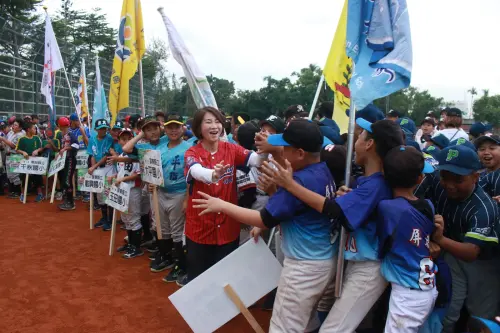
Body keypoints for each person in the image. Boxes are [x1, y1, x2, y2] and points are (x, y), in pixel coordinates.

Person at [192, 119, 337, 333]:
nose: (280, 151)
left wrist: (221, 205)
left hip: (304, 267)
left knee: (283, 327)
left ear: (299, 153)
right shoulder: (321, 170)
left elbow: (264, 219)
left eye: (284, 148)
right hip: (322, 259)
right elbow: (290, 210)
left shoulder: (297, 182)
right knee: (306, 321)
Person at [260, 118, 404, 332]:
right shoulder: (366, 181)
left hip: (368, 266)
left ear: (370, 144)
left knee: (335, 329)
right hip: (354, 261)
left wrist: (289, 185)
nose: (355, 140)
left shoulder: (376, 184)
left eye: (360, 136)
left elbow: (334, 211)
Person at [416, 145, 500, 332]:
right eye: (445, 177)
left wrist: (439, 239)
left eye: (458, 179)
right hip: (452, 256)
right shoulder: (437, 182)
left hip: (483, 263)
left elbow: (471, 252)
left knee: (480, 317)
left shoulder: (484, 207)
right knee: (448, 312)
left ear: (475, 177)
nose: (450, 184)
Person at [182, 107, 265, 287]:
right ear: (198, 127)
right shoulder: (192, 153)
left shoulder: (232, 149)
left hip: (228, 228)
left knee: (226, 278)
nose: (214, 126)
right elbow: (195, 170)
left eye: (218, 121)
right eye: (208, 122)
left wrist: (268, 148)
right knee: (199, 279)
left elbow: (256, 161)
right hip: (200, 227)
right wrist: (212, 174)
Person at [123, 114, 191, 282]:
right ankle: (167, 257)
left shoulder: (189, 147)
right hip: (159, 192)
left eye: (177, 127)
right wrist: (141, 134)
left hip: (179, 193)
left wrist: (187, 198)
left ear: (183, 128)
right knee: (162, 228)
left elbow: (191, 175)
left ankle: (180, 265)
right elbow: (127, 149)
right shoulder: (157, 145)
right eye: (170, 127)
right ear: (165, 129)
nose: (173, 131)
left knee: (177, 231)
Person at [377, 146, 437, 333]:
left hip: (409, 293)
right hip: (424, 286)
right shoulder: (428, 204)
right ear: (419, 179)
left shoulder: (388, 207)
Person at [113, 128, 144, 259]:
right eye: (123, 139)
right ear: (119, 141)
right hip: (122, 189)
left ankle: (136, 247)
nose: (125, 141)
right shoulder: (122, 155)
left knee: (133, 217)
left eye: (128, 139)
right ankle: (130, 243)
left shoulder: (137, 155)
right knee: (125, 218)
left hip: (133, 190)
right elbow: (121, 172)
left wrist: (124, 179)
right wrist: (114, 176)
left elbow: (139, 175)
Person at [87, 119, 114, 227]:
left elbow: (106, 156)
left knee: (108, 192)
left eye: (104, 128)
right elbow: (92, 154)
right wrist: (94, 169)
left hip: (108, 167)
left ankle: (110, 219)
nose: (103, 130)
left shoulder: (109, 138)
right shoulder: (92, 139)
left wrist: (94, 167)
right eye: (100, 129)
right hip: (98, 168)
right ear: (96, 129)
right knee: (100, 194)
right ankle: (104, 218)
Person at [15, 121, 44, 202]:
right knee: (23, 178)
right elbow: (17, 149)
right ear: (28, 129)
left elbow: (41, 148)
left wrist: (37, 150)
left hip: (35, 161)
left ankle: (40, 194)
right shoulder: (22, 139)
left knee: (37, 178)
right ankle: (22, 194)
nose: (35, 130)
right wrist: (23, 152)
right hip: (25, 161)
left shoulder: (36, 138)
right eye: (34, 128)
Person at [0, 118, 25, 198]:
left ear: (20, 127)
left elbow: (13, 146)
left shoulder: (20, 134)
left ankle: (17, 192)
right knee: (10, 175)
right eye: (13, 124)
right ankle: (13, 191)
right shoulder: (11, 133)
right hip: (8, 155)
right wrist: (3, 144)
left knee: (15, 175)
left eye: (15, 125)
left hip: (16, 156)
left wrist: (2, 139)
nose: (13, 126)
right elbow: (6, 143)